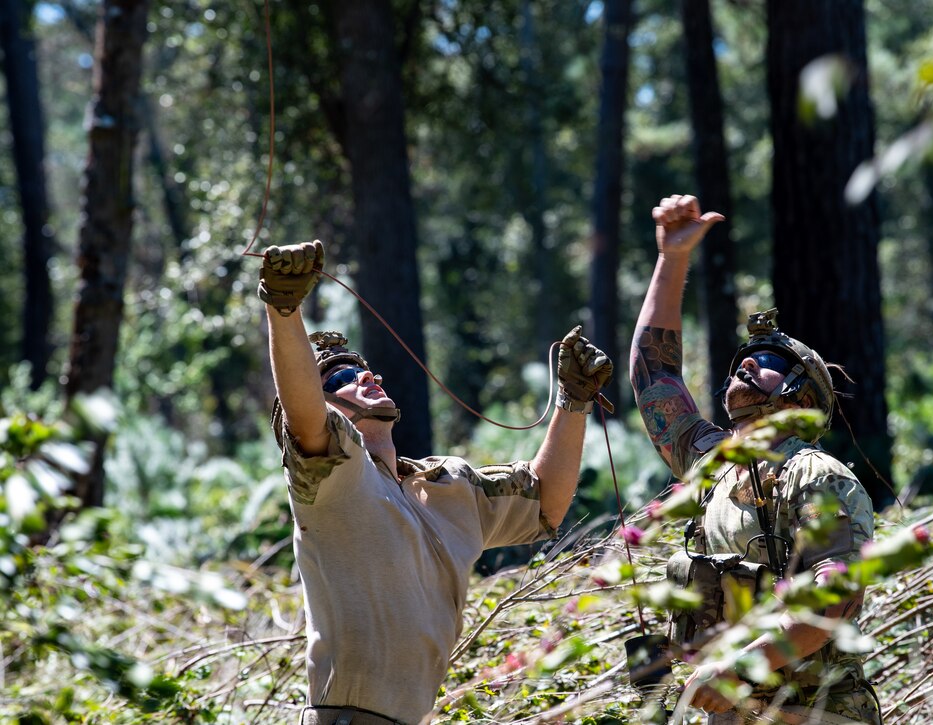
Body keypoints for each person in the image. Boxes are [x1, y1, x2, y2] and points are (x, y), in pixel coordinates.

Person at [258, 240, 613, 725]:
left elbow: (545, 503)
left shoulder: (447, 484)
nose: (368, 376)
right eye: (342, 374)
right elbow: (304, 416)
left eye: (365, 368)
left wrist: (573, 401)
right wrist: (284, 309)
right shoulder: (333, 481)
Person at [628, 195, 881, 723]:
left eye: (764, 361)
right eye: (742, 358)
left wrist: (743, 667)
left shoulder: (814, 473)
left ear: (801, 396)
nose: (745, 364)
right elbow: (655, 379)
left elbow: (837, 598)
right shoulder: (714, 464)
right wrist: (671, 259)